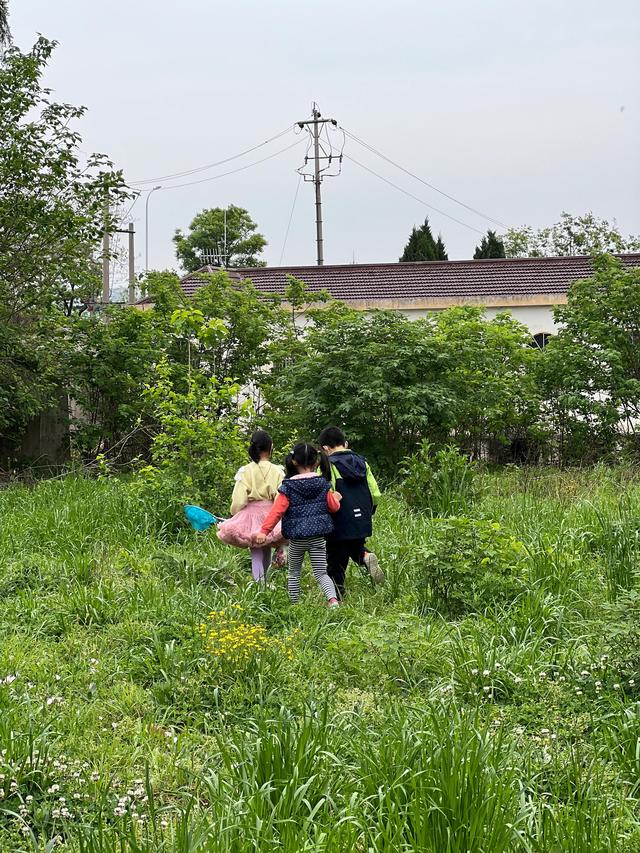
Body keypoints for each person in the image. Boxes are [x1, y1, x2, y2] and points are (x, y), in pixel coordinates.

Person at [255, 442, 341, 607]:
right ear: (316, 462)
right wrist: (336, 499)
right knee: (322, 573)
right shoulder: (323, 483)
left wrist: (264, 532)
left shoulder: (288, 487)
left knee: (294, 573)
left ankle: (295, 604)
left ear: (294, 461)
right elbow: (333, 507)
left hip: (297, 539)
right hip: (317, 537)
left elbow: (277, 512)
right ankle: (333, 600)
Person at [318, 426, 383, 598]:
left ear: (325, 448)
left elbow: (323, 492)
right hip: (362, 516)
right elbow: (375, 491)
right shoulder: (363, 462)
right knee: (355, 546)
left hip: (339, 519)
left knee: (336, 560)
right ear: (345, 443)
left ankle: (337, 596)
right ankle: (365, 556)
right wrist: (371, 510)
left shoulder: (328, 465)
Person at [217, 430, 285, 584]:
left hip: (251, 513)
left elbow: (239, 499)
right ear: (271, 447)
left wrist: (235, 513)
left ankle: (258, 584)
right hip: (271, 513)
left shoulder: (245, 471)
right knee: (266, 546)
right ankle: (264, 583)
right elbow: (280, 497)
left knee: (255, 550)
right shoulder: (278, 471)